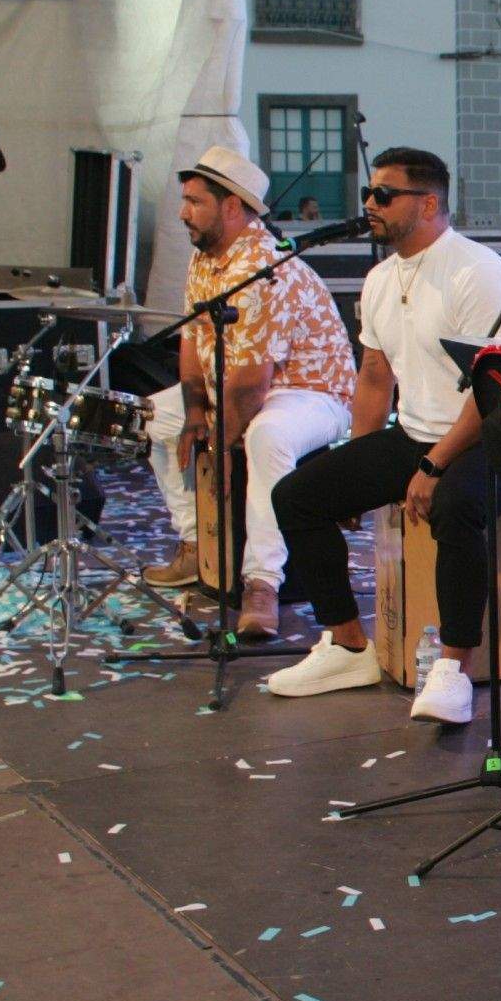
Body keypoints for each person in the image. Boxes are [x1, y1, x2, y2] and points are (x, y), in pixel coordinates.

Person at [262, 147, 501, 724]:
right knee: (298, 496)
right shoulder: (382, 277)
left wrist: (433, 467)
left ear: (428, 203)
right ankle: (347, 644)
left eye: (384, 195)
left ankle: (454, 667)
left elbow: (496, 390)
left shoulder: (476, 271)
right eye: (368, 193)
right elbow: (375, 376)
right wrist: (359, 462)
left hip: (493, 439)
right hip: (416, 434)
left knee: (455, 506)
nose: (369, 205)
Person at [139, 146, 355, 639]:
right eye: (185, 200)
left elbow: (251, 384)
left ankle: (262, 582)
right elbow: (193, 341)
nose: (182, 212)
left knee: (266, 436)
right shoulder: (205, 259)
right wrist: (194, 408)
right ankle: (197, 546)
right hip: (238, 385)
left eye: (195, 201)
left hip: (310, 390)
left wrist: (222, 442)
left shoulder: (264, 268)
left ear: (232, 206)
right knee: (153, 416)